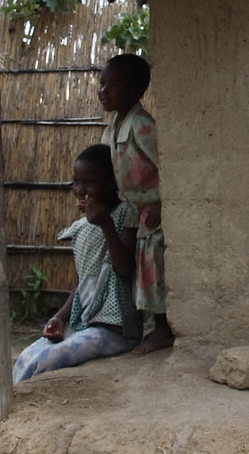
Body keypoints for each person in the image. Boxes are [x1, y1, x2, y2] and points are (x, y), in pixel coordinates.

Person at [12, 145, 141, 383]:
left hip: (116, 330)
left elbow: (124, 268)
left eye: (89, 183)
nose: (80, 190)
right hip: (84, 325)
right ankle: (9, 410)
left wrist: (106, 224)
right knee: (25, 358)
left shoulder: (126, 214)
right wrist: (60, 318)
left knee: (47, 360)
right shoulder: (82, 227)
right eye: (75, 182)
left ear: (111, 183)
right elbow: (85, 283)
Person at [98, 53, 175, 354]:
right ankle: (152, 327)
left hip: (155, 210)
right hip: (136, 211)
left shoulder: (142, 126)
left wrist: (165, 202)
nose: (103, 91)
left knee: (155, 267)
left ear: (135, 91)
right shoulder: (115, 125)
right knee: (143, 270)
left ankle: (164, 329)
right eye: (102, 84)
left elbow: (168, 167)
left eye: (113, 85)